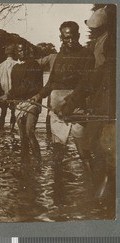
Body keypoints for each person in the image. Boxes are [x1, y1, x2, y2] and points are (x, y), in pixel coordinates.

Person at [60, 6, 116, 197]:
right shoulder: (103, 41)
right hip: (100, 98)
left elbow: (95, 75)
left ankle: (101, 194)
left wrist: (74, 99)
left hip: (105, 101)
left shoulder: (108, 44)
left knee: (97, 146)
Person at [31, 21, 95, 164]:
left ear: (78, 35)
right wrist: (39, 95)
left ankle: (92, 183)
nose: (70, 41)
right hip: (57, 105)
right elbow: (51, 82)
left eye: (73, 37)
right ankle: (58, 184)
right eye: (66, 38)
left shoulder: (86, 54)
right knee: (58, 150)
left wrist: (68, 106)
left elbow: (84, 84)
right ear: (61, 37)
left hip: (77, 104)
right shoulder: (59, 56)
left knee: (83, 149)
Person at [0, 43, 43, 161]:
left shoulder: (34, 65)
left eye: (24, 50)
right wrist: (2, 97)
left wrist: (6, 96)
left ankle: (38, 161)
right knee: (22, 136)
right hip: (19, 103)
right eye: (20, 51)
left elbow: (29, 86)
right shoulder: (15, 68)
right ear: (16, 53)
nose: (23, 53)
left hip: (32, 103)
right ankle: (25, 161)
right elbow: (15, 87)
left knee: (30, 132)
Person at [0, 44, 19, 130]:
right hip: (14, 92)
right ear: (14, 53)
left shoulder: (0, 65)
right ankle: (11, 129)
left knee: (3, 112)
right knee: (13, 112)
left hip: (3, 92)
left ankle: (1, 128)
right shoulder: (17, 64)